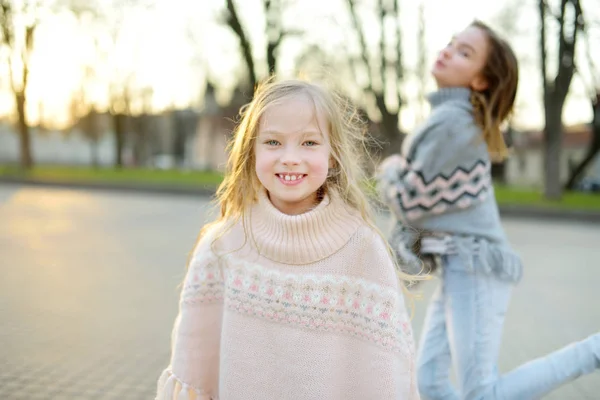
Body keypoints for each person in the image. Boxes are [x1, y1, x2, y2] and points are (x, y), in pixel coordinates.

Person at [155, 79, 421, 400]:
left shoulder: (363, 250)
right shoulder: (223, 246)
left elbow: (385, 371)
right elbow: (194, 367)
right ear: (251, 151)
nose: (290, 157)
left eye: (309, 143)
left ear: (333, 155)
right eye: (273, 142)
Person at [377, 20, 599, 400]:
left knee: (481, 393)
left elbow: (410, 202)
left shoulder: (454, 124)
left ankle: (593, 350)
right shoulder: (448, 119)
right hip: (459, 264)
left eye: (465, 52)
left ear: (481, 81)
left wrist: (391, 168)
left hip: (477, 267)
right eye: (451, 43)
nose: (448, 50)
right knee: (430, 382)